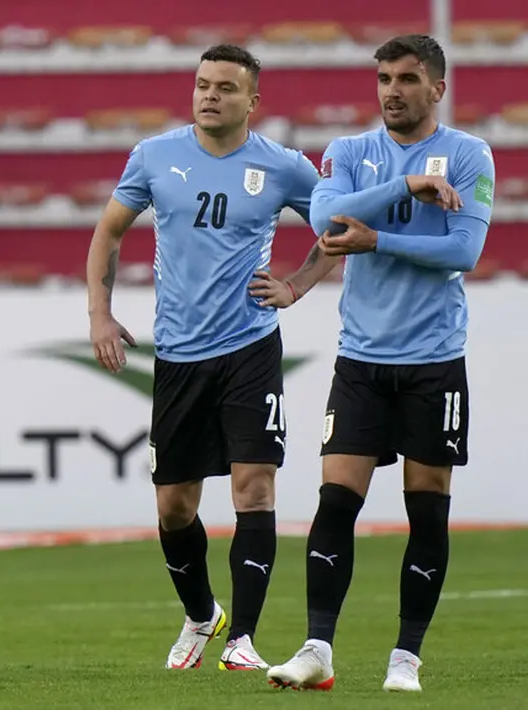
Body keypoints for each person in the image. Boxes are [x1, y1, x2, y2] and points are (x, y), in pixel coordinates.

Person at [262, 34, 492, 693]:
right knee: (334, 502)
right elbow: (324, 219)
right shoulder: (350, 152)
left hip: (433, 360)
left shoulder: (470, 155)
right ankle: (316, 650)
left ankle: (405, 659)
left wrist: (375, 239)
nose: (391, 89)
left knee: (427, 509)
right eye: (384, 78)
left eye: (406, 78)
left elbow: (462, 251)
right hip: (360, 359)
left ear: (436, 89)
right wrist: (407, 186)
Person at [85, 45, 320, 672]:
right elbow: (108, 232)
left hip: (249, 347)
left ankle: (241, 639)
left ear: (253, 101)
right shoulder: (155, 156)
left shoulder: (284, 167)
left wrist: (296, 283)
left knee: (254, 486)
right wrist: (99, 314)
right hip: (180, 355)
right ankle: (201, 615)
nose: (209, 95)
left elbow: (339, 230)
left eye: (224, 87)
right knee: (174, 505)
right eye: (201, 85)